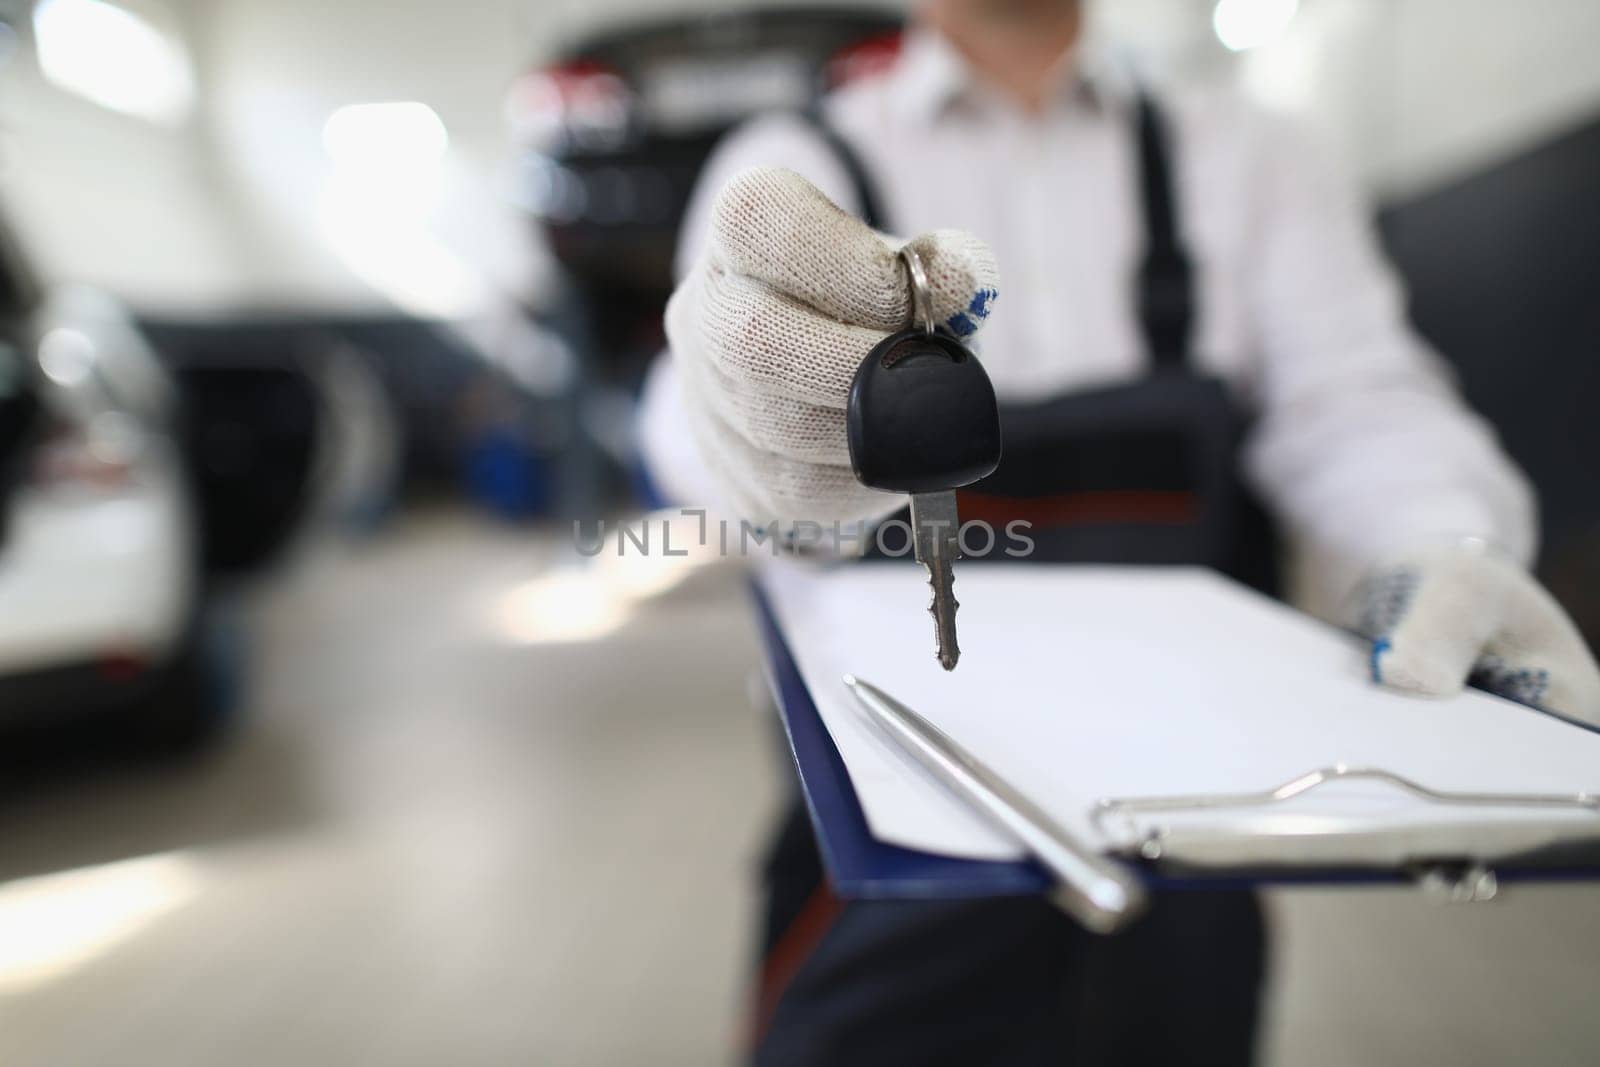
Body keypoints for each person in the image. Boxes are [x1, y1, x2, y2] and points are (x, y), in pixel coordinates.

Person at [638, 0, 1600, 1062]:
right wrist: (739, 429)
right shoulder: (784, 165)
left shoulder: (1246, 147)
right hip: (882, 864)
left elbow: (1355, 404)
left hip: (1193, 853)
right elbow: (690, 427)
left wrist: (1432, 544)